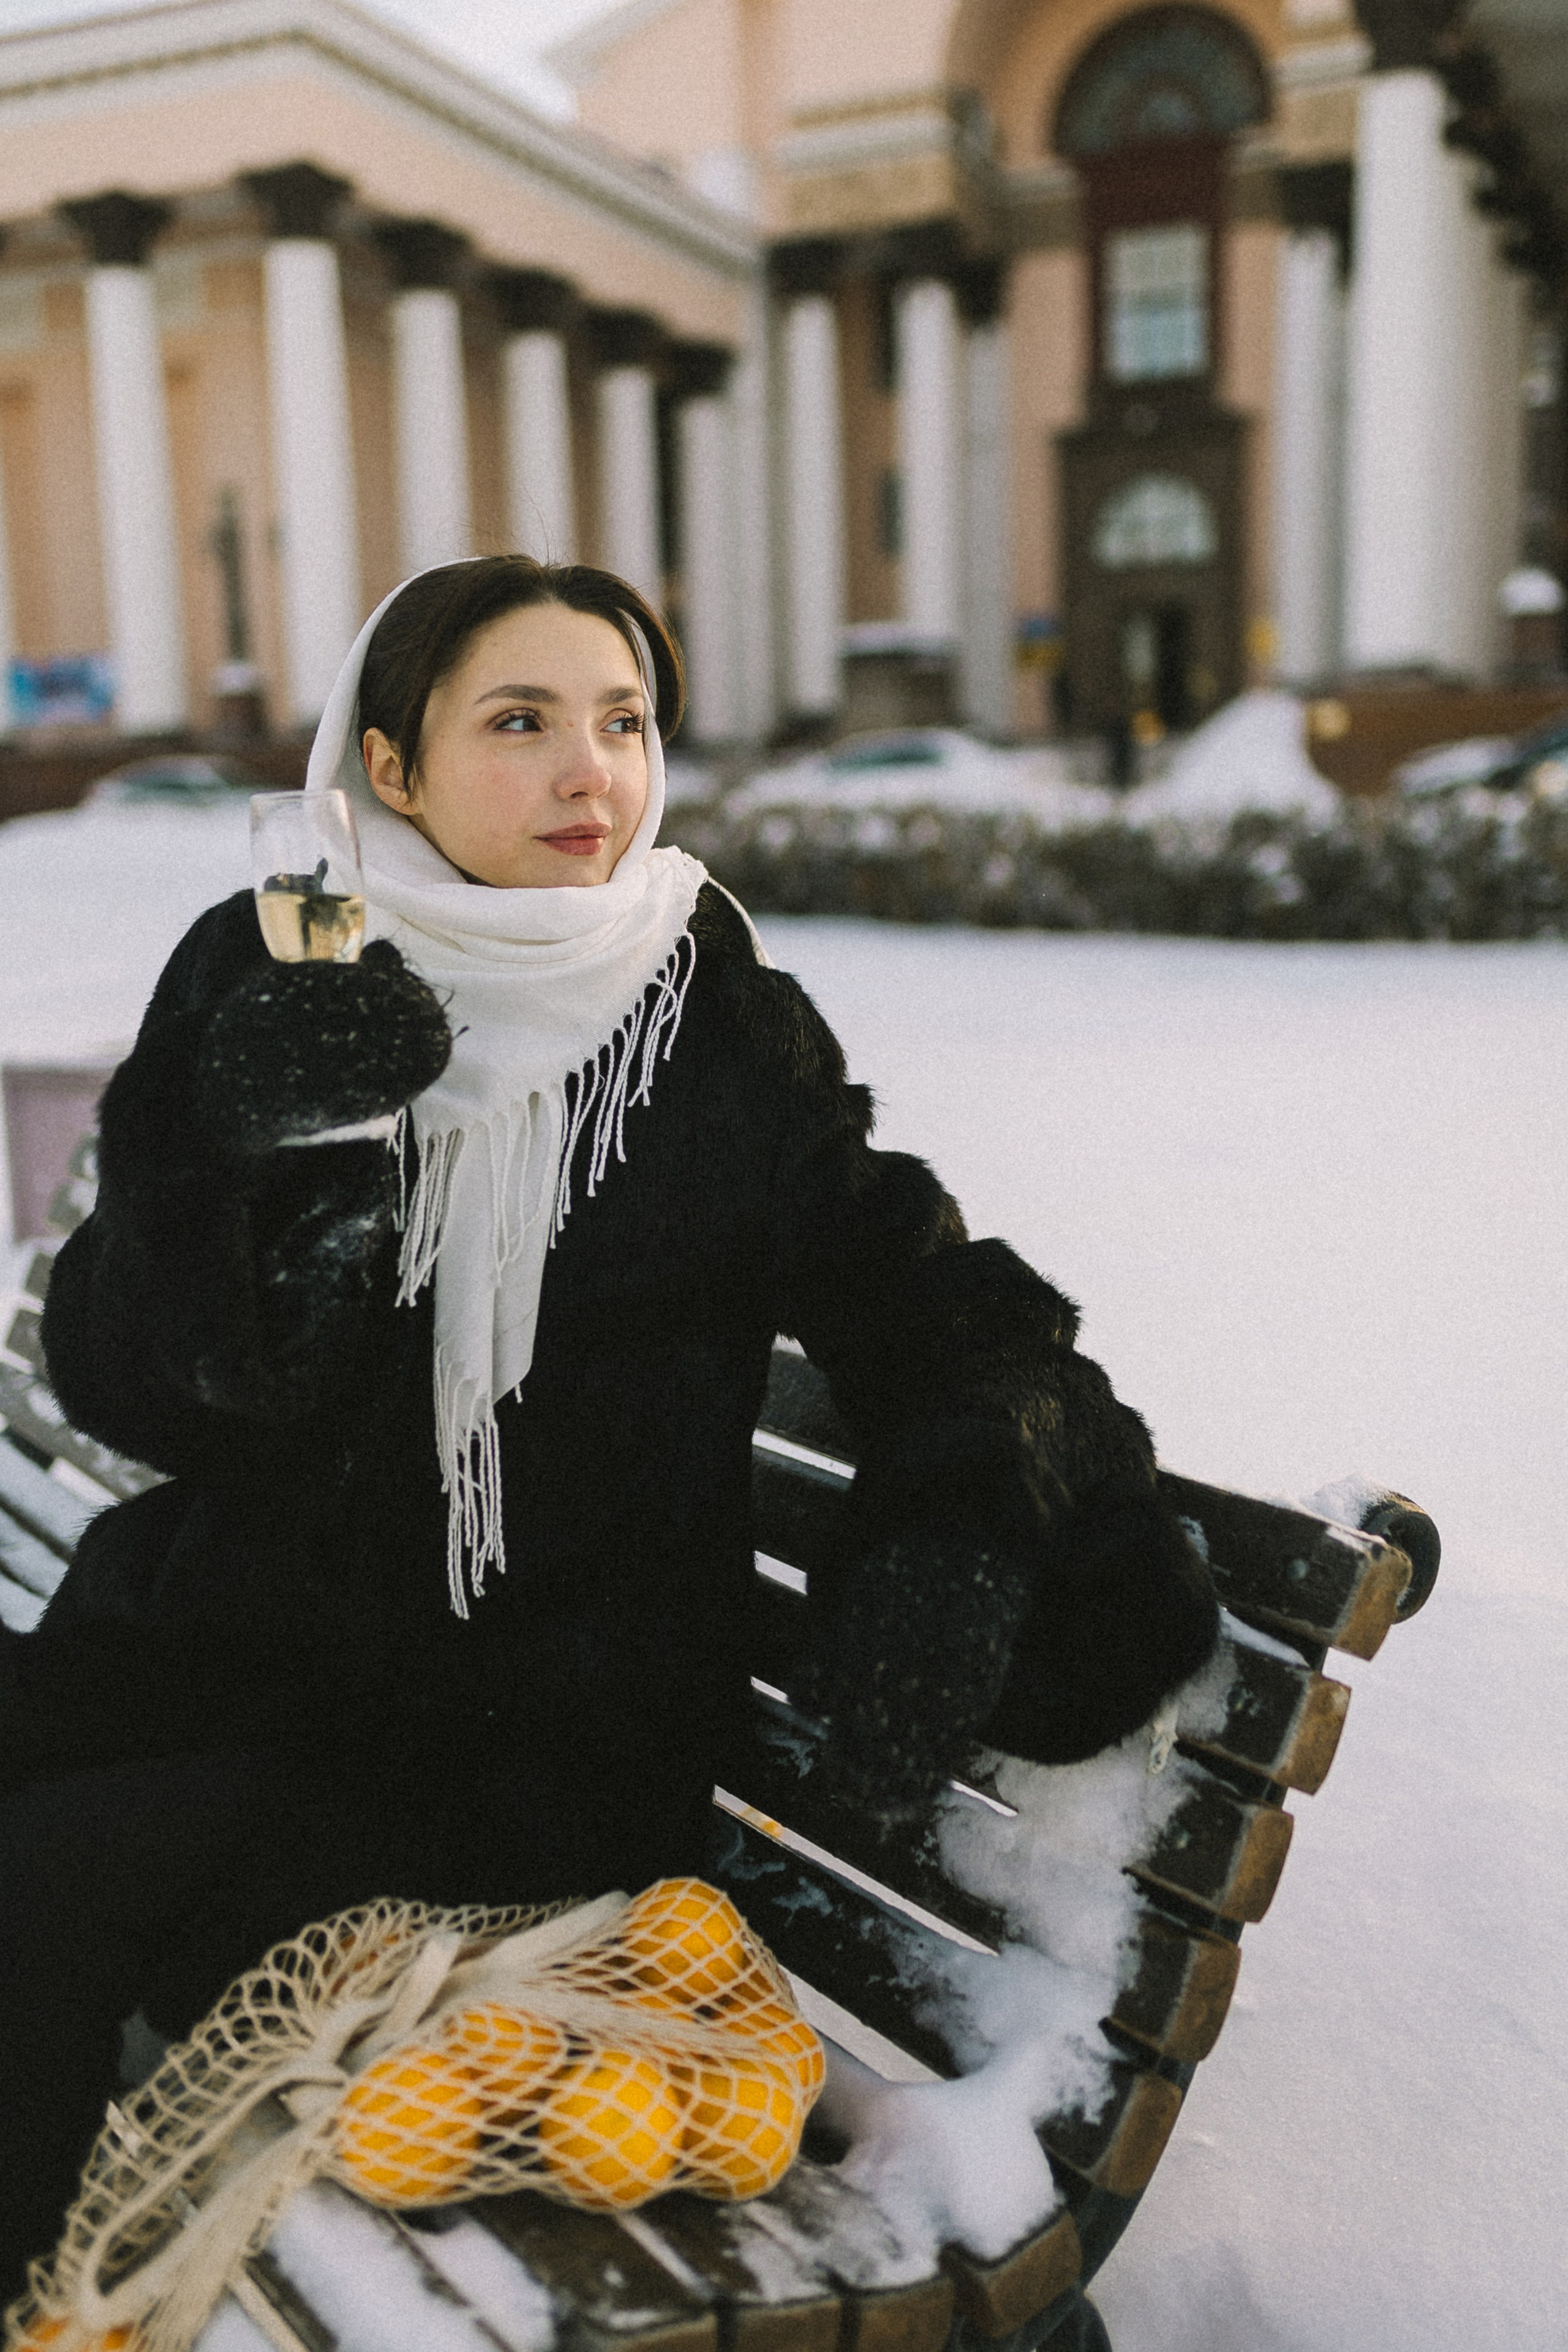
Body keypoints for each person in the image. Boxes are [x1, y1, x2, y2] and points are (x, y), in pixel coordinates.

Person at [0, 557, 1218, 2301]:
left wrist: (968, 1510)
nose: (597, 776)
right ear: (392, 768)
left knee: (39, 1885)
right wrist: (237, 1160)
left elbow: (935, 1305)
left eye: (625, 722)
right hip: (245, 1656)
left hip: (539, 1746)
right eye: (523, 723)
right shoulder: (284, 964)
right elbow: (131, 1383)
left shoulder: (708, 1014)